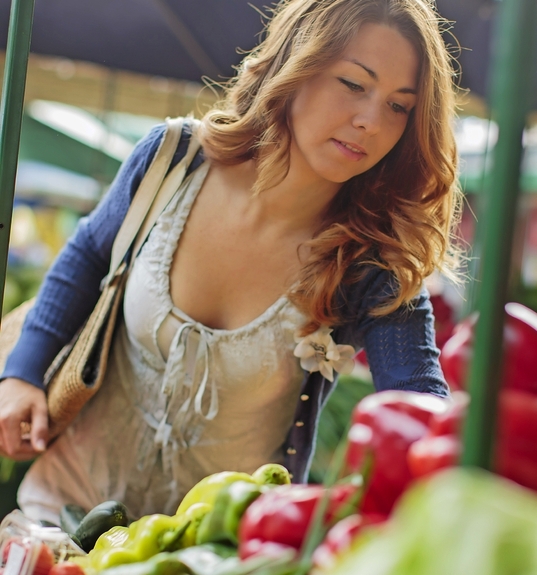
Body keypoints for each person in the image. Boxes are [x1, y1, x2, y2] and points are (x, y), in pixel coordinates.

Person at [0, 0, 460, 523]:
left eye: (399, 106)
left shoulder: (373, 262)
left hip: (218, 555)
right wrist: (21, 373)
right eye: (354, 84)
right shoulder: (171, 161)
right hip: (57, 519)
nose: (370, 121)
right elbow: (86, 256)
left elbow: (419, 404)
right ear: (295, 63)